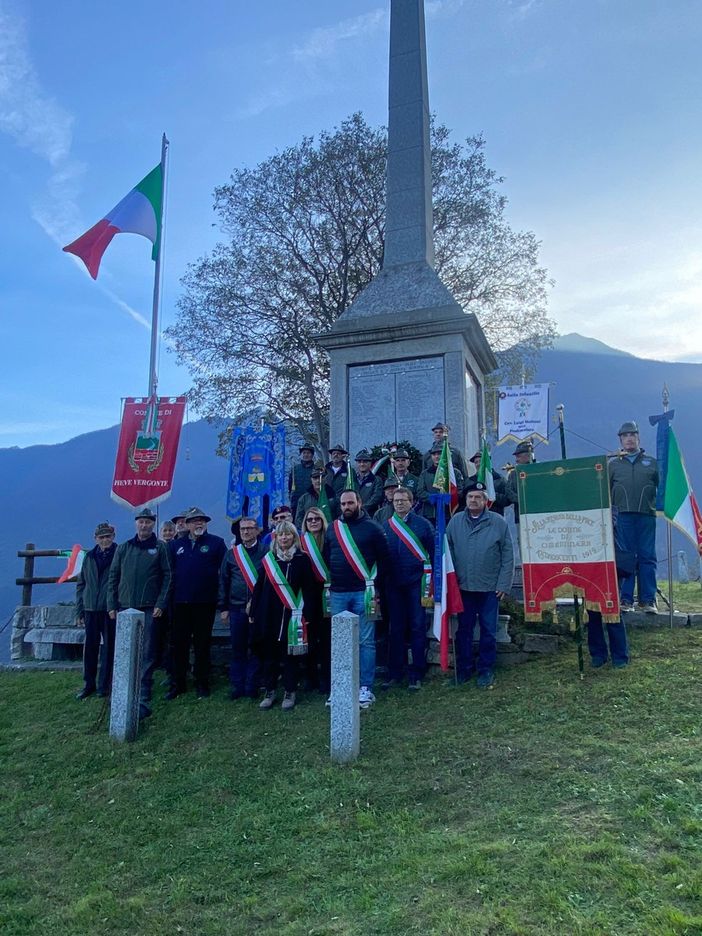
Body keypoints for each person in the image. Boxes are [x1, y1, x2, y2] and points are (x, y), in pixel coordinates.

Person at [324, 489, 390, 708]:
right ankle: (341, 686)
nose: (346, 507)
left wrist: (377, 589)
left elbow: (384, 560)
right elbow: (326, 556)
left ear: (359, 503)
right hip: (338, 593)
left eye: (350, 503)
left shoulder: (373, 528)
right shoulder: (333, 529)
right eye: (343, 504)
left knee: (366, 641)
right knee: (340, 643)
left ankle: (365, 688)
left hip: (365, 592)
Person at [107, 507, 171, 719]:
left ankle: (144, 689)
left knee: (147, 650)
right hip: (125, 606)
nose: (144, 525)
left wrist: (161, 603)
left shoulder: (160, 548)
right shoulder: (124, 548)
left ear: (153, 524)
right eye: (141, 522)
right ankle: (124, 687)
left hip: (150, 607)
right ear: (136, 523)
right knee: (125, 649)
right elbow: (113, 577)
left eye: (148, 522)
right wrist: (111, 605)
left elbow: (168, 576)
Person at [447, 487, 514, 689]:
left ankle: (486, 670)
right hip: (463, 587)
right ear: (465, 499)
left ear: (486, 501)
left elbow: (508, 555)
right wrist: (449, 584)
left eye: (478, 497)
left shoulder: (498, 523)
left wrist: (503, 584)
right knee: (464, 630)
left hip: (489, 588)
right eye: (470, 497)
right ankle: (464, 670)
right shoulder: (455, 522)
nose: (473, 500)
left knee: (488, 630)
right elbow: (447, 552)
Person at [249, 521, 317, 711]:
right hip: (269, 613)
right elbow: (258, 587)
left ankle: (289, 691)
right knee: (269, 655)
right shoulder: (269, 560)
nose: (284, 538)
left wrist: (308, 615)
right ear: (276, 538)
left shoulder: (302, 559)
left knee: (290, 656)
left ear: (294, 537)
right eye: (281, 535)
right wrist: (253, 610)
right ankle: (269, 690)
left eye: (288, 534)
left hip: (292, 615)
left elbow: (309, 589)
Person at [167, 507, 227, 700]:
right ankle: (179, 683)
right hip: (180, 603)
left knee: (202, 644)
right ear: (187, 524)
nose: (198, 523)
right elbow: (169, 573)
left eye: (202, 520)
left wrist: (221, 600)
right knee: (179, 645)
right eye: (194, 521)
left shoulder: (216, 543)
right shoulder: (176, 545)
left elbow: (225, 573)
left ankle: (202, 683)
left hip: (205, 603)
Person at [382, 488, 434, 690]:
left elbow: (433, 552)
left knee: (417, 626)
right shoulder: (386, 527)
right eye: (396, 500)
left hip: (416, 582)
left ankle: (416, 672)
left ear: (412, 502)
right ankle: (395, 672)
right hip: (393, 584)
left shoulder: (423, 525)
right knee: (395, 628)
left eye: (403, 500)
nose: (399, 504)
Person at [608, 420, 659, 612]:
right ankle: (626, 599)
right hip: (622, 516)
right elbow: (605, 489)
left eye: (632, 435)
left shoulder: (652, 463)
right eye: (624, 436)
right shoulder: (614, 465)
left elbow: (662, 488)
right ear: (620, 440)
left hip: (647, 515)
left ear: (638, 437)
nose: (628, 439)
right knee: (626, 558)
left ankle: (648, 599)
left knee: (647, 556)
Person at [218, 516, 268, 700]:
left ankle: (252, 684)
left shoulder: (266, 551)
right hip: (236, 607)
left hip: (258, 609)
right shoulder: (232, 554)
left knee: (256, 648)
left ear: (257, 530)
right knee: (238, 648)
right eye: (242, 529)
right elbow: (223, 581)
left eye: (249, 528)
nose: (246, 532)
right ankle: (237, 685)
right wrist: (223, 607)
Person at [75, 521, 118, 700]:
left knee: (109, 649)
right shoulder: (89, 557)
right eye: (101, 537)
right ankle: (88, 684)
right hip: (90, 608)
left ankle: (104, 685)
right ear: (95, 539)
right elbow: (81, 584)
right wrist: (80, 610)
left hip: (109, 609)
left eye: (107, 536)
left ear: (113, 537)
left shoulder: (119, 554)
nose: (105, 540)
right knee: (90, 649)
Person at [299, 506, 331, 694]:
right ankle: (310, 678)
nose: (313, 522)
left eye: (316, 519)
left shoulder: (330, 540)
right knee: (309, 638)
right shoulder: (302, 543)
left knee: (327, 639)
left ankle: (327, 679)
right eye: (309, 519)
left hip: (328, 593)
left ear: (322, 521)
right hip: (307, 596)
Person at [417, 443, 464, 523]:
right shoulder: (425, 473)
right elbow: (420, 491)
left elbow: (460, 490)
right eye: (434, 454)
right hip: (430, 513)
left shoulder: (455, 473)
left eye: (439, 454)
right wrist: (434, 498)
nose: (436, 456)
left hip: (450, 512)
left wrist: (448, 498)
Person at [464, 451, 508, 515]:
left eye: (481, 461)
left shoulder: (499, 479)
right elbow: (463, 501)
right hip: (474, 518)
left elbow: (507, 500)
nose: (478, 464)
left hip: (495, 516)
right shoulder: (470, 481)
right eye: (476, 462)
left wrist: (492, 494)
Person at [504, 441, 534, 526]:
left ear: (528, 456)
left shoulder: (540, 471)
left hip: (539, 514)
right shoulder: (513, 474)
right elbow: (508, 492)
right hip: (520, 516)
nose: (516, 460)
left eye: (519, 456)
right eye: (516, 457)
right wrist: (522, 499)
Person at [353, 449, 384, 517]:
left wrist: (362, 508)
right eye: (359, 462)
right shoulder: (351, 480)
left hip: (370, 515)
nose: (362, 464)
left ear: (370, 463)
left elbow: (376, 497)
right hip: (353, 514)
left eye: (365, 461)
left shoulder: (376, 480)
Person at [289, 443, 316, 518]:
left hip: (311, 501)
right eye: (304, 453)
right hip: (296, 502)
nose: (306, 455)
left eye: (308, 453)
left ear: (312, 455)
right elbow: (290, 486)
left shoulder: (316, 469)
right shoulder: (295, 469)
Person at [323, 444, 350, 513]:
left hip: (342, 505)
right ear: (331, 456)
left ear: (342, 456)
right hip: (327, 504)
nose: (336, 455)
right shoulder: (324, 470)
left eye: (338, 453)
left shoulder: (349, 471)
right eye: (334, 453)